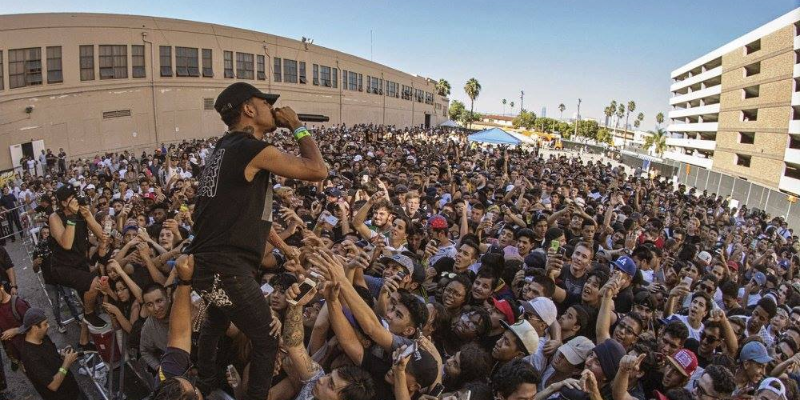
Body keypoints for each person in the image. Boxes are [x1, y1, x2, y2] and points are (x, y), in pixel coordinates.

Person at [187, 82, 327, 400]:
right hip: (226, 265)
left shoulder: (225, 149)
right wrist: (297, 126)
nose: (271, 109)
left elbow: (246, 217)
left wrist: (285, 247)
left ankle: (205, 381)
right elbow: (318, 170)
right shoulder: (250, 148)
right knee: (266, 338)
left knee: (218, 317)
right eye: (265, 103)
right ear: (249, 109)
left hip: (210, 265)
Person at [19, 308, 83, 399]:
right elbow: (53, 385)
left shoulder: (43, 337)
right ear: (34, 328)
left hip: (72, 388)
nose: (48, 326)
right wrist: (67, 363)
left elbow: (51, 353)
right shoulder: (30, 357)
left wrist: (62, 353)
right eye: (45, 324)